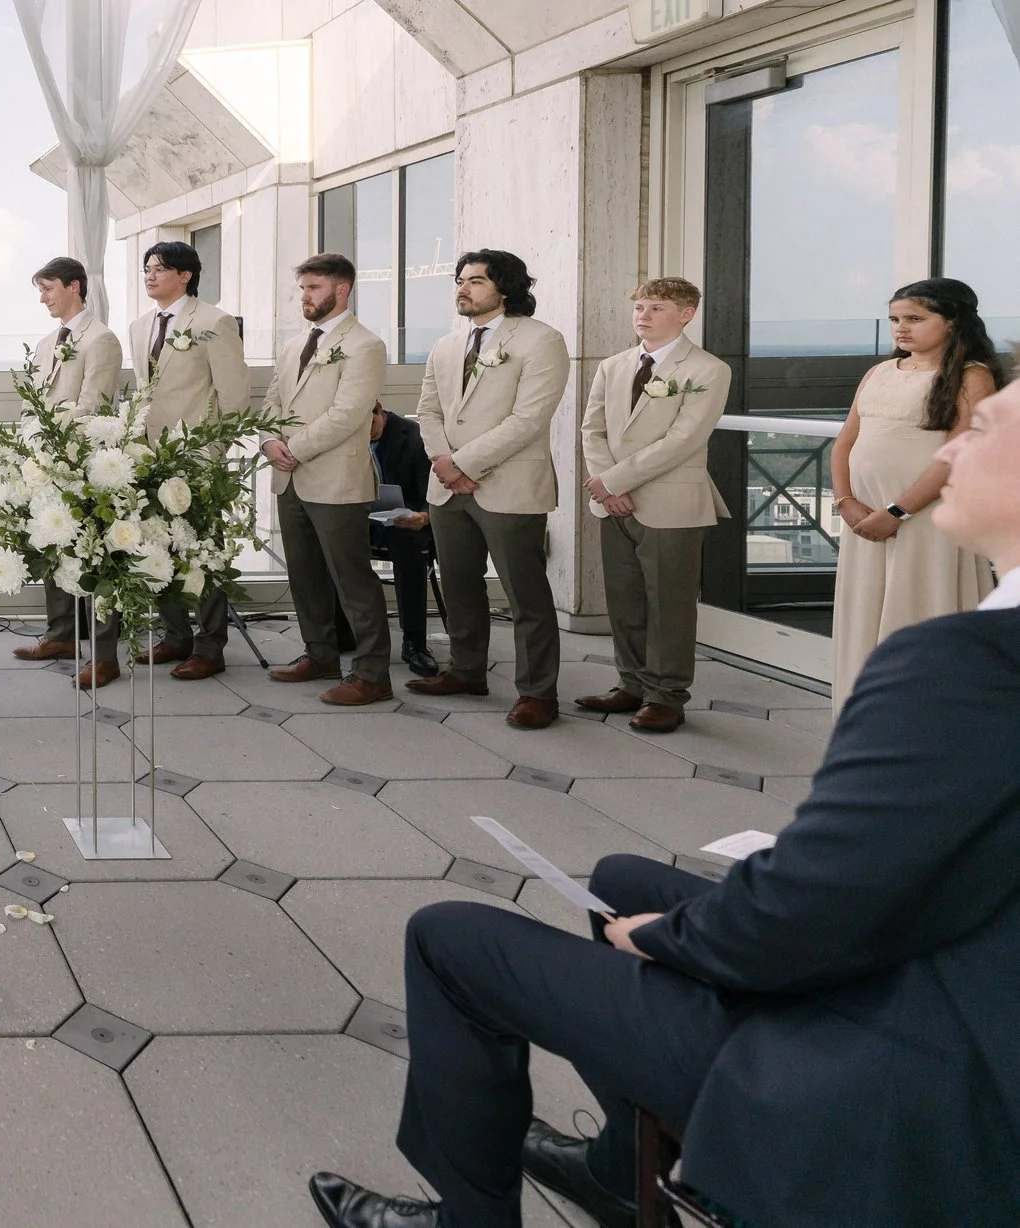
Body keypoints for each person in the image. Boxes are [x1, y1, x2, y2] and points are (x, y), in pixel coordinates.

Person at [306, 376, 1020, 1228]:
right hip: (945, 973)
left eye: (978, 430)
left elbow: (803, 919)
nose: (946, 449)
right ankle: (617, 1168)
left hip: (881, 1063)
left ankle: (468, 1221)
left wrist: (675, 940)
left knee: (450, 940)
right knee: (619, 875)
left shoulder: (967, 664)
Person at [408, 250, 572, 730]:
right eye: (460, 280)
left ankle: (539, 693)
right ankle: (466, 671)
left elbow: (529, 419)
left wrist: (461, 463)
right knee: (459, 587)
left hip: (510, 485)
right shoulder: (445, 344)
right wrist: (445, 464)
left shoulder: (543, 341)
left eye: (475, 281)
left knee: (527, 597)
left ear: (505, 287)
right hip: (448, 489)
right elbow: (428, 410)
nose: (463, 288)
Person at [828, 277, 1003, 710]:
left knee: (918, 605)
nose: (900, 328)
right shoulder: (879, 372)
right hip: (864, 520)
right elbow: (846, 441)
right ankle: (863, 716)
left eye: (914, 319)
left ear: (951, 322)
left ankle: (918, 717)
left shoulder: (971, 376)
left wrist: (897, 511)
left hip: (923, 517)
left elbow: (957, 455)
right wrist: (845, 501)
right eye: (894, 319)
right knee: (866, 612)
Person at [574, 277, 733, 733]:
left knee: (669, 603)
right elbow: (593, 429)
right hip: (613, 501)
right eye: (639, 307)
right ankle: (631, 684)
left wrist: (615, 480)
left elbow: (683, 440)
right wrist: (608, 487)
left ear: (686, 314)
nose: (643, 315)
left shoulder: (708, 369)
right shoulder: (613, 365)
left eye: (656, 308)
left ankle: (666, 695)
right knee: (624, 599)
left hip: (671, 503)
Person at [257, 253, 392, 707]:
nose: (304, 296)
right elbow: (272, 402)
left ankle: (372, 675)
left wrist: (295, 448)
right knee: (305, 575)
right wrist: (268, 442)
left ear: (341, 290)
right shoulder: (295, 344)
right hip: (288, 478)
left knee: (352, 580)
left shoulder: (365, 345)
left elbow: (349, 413)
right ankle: (320, 655)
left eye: (313, 288)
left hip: (336, 479)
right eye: (302, 289)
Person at [123, 241, 249, 678]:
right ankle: (175, 635)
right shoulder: (140, 326)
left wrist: (213, 451)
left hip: (196, 455)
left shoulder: (214, 321)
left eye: (159, 268)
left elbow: (233, 396)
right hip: (149, 455)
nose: (149, 275)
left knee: (203, 550)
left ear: (186, 275)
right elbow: (144, 390)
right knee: (157, 544)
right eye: (146, 268)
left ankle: (211, 646)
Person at [13, 255, 129, 687]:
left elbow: (93, 407)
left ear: (75, 287)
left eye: (48, 289)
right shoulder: (46, 344)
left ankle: (104, 656)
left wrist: (57, 445)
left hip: (85, 465)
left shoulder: (101, 339)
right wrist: (32, 445)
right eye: (40, 291)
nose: (43, 298)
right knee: (51, 543)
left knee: (94, 555)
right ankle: (61, 635)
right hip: (44, 464)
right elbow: (33, 401)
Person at [332, 404, 441, 678]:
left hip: (410, 520)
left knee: (408, 547)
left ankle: (414, 641)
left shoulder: (414, 436)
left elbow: (433, 494)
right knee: (333, 538)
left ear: (378, 411)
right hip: (364, 518)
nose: (364, 437)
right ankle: (342, 631)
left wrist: (423, 517)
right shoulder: (347, 438)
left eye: (368, 429)